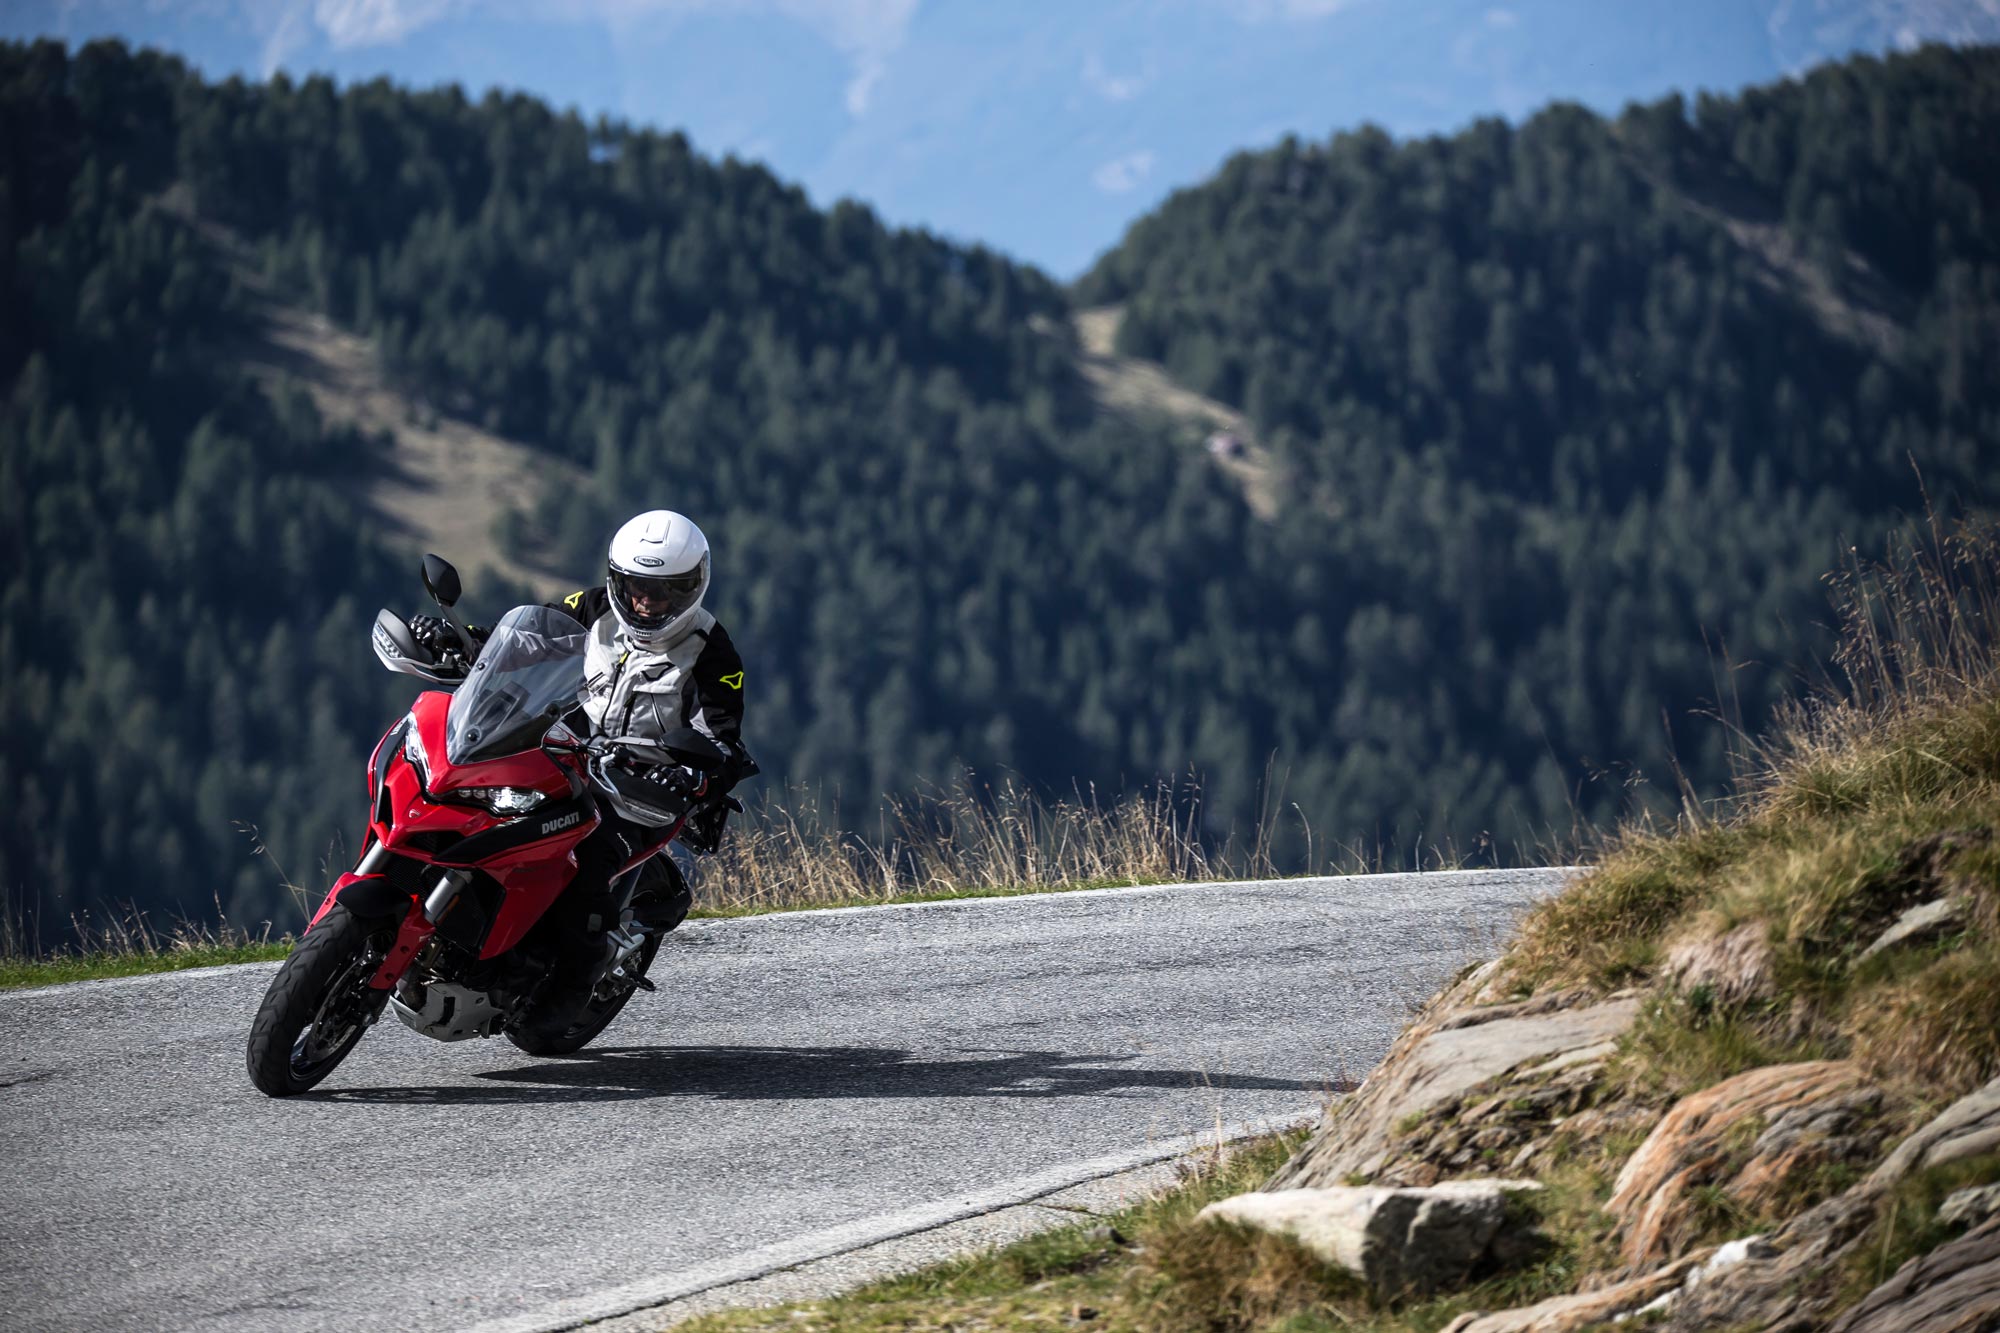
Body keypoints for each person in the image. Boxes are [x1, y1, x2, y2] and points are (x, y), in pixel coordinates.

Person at [414, 509, 755, 1003]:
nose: (645, 600)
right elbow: (532, 637)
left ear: (690, 588)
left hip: (640, 790)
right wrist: (465, 640)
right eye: (636, 585)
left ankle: (568, 988)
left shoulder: (712, 653)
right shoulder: (595, 606)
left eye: (663, 591)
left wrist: (686, 775)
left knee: (584, 863)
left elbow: (721, 736)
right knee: (474, 809)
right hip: (564, 755)